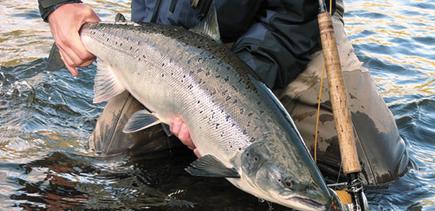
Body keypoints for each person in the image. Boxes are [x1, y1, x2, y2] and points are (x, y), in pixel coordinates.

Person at [38, 0, 413, 186]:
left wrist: (220, 106)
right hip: (165, 46)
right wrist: (58, 6)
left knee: (382, 174)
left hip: (294, 35)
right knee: (109, 164)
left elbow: (291, 19)